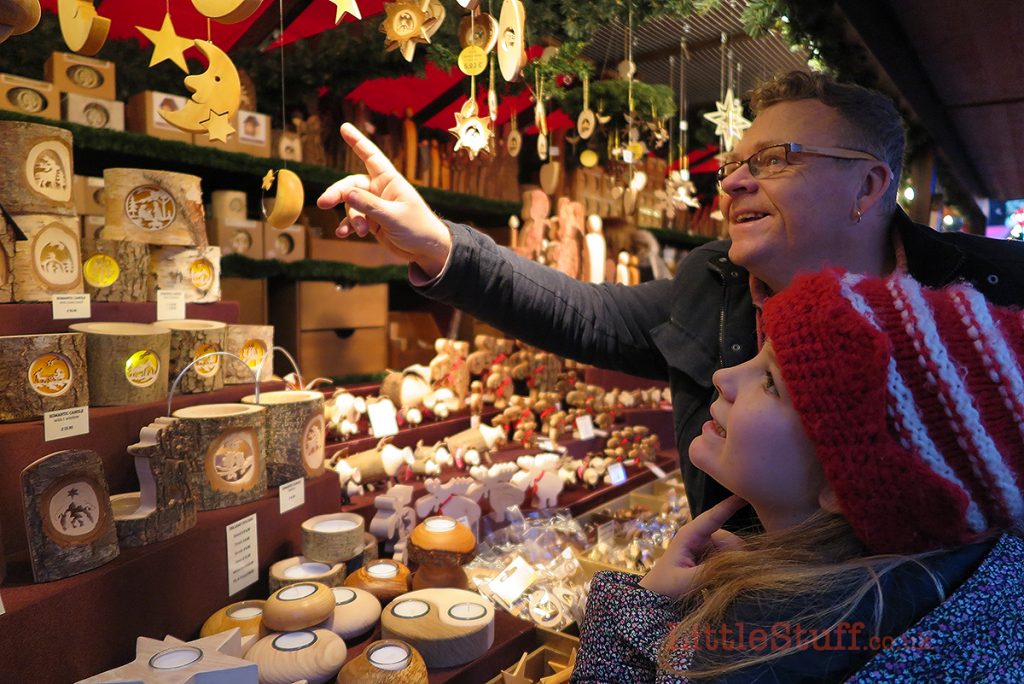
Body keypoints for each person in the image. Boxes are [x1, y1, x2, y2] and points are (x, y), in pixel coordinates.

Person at [317, 70, 1024, 518]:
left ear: (868, 186)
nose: (736, 181)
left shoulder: (991, 302)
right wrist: (439, 244)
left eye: (775, 160)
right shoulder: (712, 285)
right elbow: (585, 314)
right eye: (736, 163)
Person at [572, 269, 1024, 682]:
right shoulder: (968, 586)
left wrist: (638, 607)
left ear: (845, 485)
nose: (724, 376)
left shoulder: (756, 658)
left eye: (770, 381)